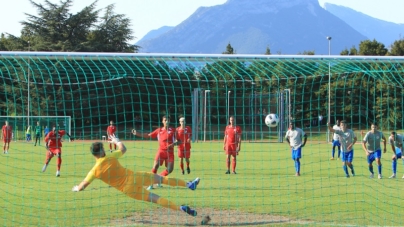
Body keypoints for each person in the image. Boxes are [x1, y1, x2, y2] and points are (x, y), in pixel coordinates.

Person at [71, 135, 200, 217]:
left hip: (128, 190)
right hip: (135, 177)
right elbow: (123, 149)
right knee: (162, 179)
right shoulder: (110, 156)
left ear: (94, 155)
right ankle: (189, 184)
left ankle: (180, 208)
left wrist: (76, 188)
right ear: (102, 151)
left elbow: (82, 186)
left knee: (155, 198)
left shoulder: (94, 171)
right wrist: (116, 141)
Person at [132, 115, 176, 190]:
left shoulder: (173, 130)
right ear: (162, 121)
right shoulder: (159, 130)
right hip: (161, 151)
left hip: (170, 152)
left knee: (170, 169)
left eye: (168, 120)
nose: (166, 121)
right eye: (165, 120)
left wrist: (173, 144)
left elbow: (179, 141)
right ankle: (150, 184)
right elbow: (148, 135)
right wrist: (137, 134)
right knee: (155, 166)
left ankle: (158, 179)